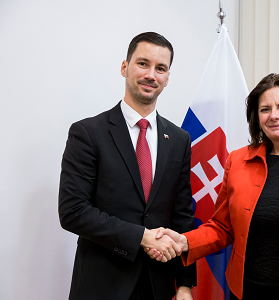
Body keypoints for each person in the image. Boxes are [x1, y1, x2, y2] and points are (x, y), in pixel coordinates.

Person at [147, 73, 279, 299]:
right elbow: (222, 227)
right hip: (247, 291)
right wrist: (185, 241)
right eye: (264, 109)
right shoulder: (238, 160)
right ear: (257, 118)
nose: (274, 116)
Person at [58, 32, 196, 300]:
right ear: (125, 67)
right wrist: (141, 237)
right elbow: (73, 211)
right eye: (142, 64)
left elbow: (182, 216)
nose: (151, 75)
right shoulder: (87, 133)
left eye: (160, 68)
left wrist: (185, 285)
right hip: (101, 284)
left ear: (167, 78)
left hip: (159, 284)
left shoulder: (179, 139)